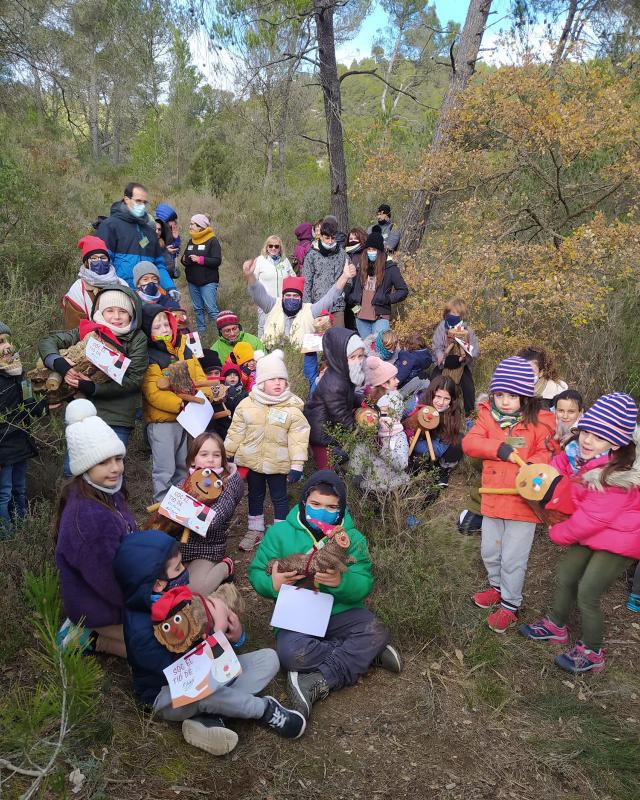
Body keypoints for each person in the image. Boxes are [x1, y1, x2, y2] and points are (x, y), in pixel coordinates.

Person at [113, 531, 306, 755]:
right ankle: (264, 710)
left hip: (207, 675)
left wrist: (235, 636)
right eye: (177, 569)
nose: (185, 573)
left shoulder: (177, 595)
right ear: (157, 584)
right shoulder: (141, 629)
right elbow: (183, 674)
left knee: (269, 658)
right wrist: (216, 636)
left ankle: (211, 715)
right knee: (207, 693)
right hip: (167, 693)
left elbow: (204, 642)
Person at [248, 471, 401, 719]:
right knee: (290, 654)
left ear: (341, 510)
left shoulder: (351, 539)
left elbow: (364, 582)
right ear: (304, 503)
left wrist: (342, 581)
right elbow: (255, 572)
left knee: (376, 630)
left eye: (331, 507)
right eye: (315, 504)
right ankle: (365, 654)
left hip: (341, 612)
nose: (322, 511)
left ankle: (320, 679)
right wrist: (273, 583)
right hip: (297, 614)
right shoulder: (279, 534)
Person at [519, 393, 640, 674]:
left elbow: (590, 518)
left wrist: (558, 532)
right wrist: (545, 476)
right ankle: (555, 625)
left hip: (621, 538)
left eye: (597, 437)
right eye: (586, 431)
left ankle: (593, 651)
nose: (586, 440)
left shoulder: (618, 476)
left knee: (588, 590)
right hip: (597, 530)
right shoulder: (592, 456)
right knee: (566, 574)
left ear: (617, 442)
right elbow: (564, 468)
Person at [462, 357, 556, 633]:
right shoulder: (487, 416)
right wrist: (498, 448)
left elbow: (547, 454)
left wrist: (530, 473)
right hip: (492, 497)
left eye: (512, 395)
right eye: (499, 394)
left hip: (522, 503)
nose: (504, 401)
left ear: (525, 396)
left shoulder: (541, 422)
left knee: (514, 558)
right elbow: (470, 442)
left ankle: (510, 605)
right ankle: (496, 587)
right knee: (490, 551)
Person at [55, 399, 136, 657]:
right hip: (100, 606)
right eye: (103, 462)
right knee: (156, 644)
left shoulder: (107, 492)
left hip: (114, 596)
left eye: (118, 458)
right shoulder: (88, 516)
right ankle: (86, 636)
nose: (115, 468)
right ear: (85, 466)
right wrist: (144, 604)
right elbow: (107, 580)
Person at [39, 287, 148, 453]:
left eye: (123, 311)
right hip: (83, 413)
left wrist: (94, 388)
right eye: (110, 310)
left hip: (117, 415)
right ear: (100, 311)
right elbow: (48, 341)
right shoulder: (88, 330)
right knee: (76, 469)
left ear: (132, 315)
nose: (116, 317)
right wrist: (59, 364)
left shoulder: (137, 339)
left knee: (112, 466)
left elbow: (134, 380)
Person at [224, 350, 310, 552]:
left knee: (279, 497)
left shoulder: (291, 409)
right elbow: (236, 430)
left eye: (282, 379)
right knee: (254, 495)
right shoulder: (247, 404)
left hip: (278, 464)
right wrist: (228, 453)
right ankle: (255, 529)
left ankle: (281, 533)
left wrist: (297, 464)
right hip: (252, 462)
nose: (278, 383)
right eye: (273, 379)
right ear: (261, 382)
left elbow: (298, 438)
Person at [141, 305, 214, 503]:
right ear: (148, 330)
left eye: (166, 323)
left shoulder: (184, 347)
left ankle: (181, 505)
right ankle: (162, 509)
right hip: (164, 422)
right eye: (157, 326)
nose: (164, 328)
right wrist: (180, 404)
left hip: (188, 420)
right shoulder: (149, 355)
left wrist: (204, 396)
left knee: (183, 466)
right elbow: (153, 393)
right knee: (165, 469)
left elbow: (200, 376)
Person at [243, 260, 356, 352]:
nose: (291, 298)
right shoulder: (272, 305)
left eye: (295, 296)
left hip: (299, 363)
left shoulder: (310, 310)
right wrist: (250, 276)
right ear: (283, 296)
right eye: (288, 295)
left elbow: (330, 297)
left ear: (301, 297)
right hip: (271, 359)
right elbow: (258, 293)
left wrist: (345, 276)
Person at [179, 432, 243, 594]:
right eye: (204, 454)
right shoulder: (188, 479)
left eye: (216, 455)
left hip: (208, 548)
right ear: (193, 459)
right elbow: (171, 504)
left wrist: (181, 512)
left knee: (196, 590)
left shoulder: (228, 483)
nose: (210, 459)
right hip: (180, 546)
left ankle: (225, 566)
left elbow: (213, 520)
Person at [0, 322, 48, 533]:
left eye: (8, 340)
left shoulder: (18, 374)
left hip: (20, 441)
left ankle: (22, 528)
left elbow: (32, 406)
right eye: (1, 342)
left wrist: (44, 404)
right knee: (3, 493)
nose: (7, 346)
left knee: (19, 489)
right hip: (3, 446)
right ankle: (8, 536)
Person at [96, 182, 178, 295]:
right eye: (138, 201)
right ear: (126, 199)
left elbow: (159, 265)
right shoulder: (110, 226)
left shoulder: (149, 231)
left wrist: (170, 287)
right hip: (120, 295)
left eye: (145, 202)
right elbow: (103, 265)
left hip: (148, 295)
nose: (142, 205)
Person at [304, 328, 366, 470]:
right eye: (352, 357)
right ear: (339, 357)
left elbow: (347, 397)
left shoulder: (342, 374)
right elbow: (339, 413)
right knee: (327, 469)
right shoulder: (334, 382)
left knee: (338, 461)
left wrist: (361, 400)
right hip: (321, 432)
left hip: (331, 428)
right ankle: (323, 483)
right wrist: (356, 429)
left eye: (360, 356)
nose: (357, 361)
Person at [353, 357, 409, 492]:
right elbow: (357, 464)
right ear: (384, 384)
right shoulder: (370, 424)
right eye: (394, 378)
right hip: (369, 487)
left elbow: (402, 463)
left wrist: (381, 447)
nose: (398, 381)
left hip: (392, 486)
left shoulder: (398, 436)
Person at [345, 226, 408, 339]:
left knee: (380, 349)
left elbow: (403, 290)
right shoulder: (360, 266)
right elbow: (350, 286)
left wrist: (388, 298)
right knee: (367, 350)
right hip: (360, 317)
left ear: (380, 251)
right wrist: (351, 298)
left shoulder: (390, 268)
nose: (371, 252)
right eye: (368, 249)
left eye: (374, 250)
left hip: (380, 317)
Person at [404, 375, 464, 489]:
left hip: (426, 445)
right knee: (416, 465)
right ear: (431, 393)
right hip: (408, 443)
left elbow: (440, 447)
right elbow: (397, 419)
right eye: (438, 396)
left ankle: (443, 467)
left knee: (459, 440)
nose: (441, 402)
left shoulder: (451, 414)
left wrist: (416, 444)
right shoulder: (417, 403)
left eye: (447, 399)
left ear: (452, 400)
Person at [62, 236, 128, 329]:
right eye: (94, 258)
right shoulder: (77, 290)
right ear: (86, 262)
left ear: (108, 260)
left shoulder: (121, 283)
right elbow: (74, 328)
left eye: (103, 257)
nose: (99, 261)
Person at [432, 298, 479, 416]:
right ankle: (430, 411)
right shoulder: (442, 327)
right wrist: (440, 357)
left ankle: (469, 415)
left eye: (455, 314)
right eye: (449, 313)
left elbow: (475, 350)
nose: (451, 316)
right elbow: (436, 346)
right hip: (444, 362)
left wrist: (465, 356)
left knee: (469, 388)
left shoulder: (467, 329)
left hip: (461, 364)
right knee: (433, 383)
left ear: (461, 316)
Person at [302, 217, 350, 327]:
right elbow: (306, 281)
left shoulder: (342, 254)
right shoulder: (312, 255)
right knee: (319, 340)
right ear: (321, 236)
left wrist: (343, 293)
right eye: (327, 238)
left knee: (338, 339)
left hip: (337, 305)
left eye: (333, 238)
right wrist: (307, 305)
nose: (330, 241)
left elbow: (349, 277)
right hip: (318, 305)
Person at [181, 214, 222, 334]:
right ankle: (202, 333)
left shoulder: (212, 241)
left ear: (200, 227)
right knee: (198, 309)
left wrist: (200, 260)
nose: (190, 226)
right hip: (193, 281)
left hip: (208, 282)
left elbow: (217, 260)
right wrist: (184, 260)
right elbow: (185, 257)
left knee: (211, 309)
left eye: (192, 224)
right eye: (190, 223)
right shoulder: (191, 241)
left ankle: (218, 334)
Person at [252, 235, 295, 338]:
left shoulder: (285, 261)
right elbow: (253, 280)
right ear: (266, 247)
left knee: (284, 326)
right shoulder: (260, 260)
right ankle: (262, 349)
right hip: (265, 300)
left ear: (280, 248)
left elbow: (293, 276)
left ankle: (284, 350)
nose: (273, 249)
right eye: (270, 246)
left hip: (282, 300)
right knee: (263, 326)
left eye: (276, 246)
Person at [154, 203, 180, 278]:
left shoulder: (164, 235)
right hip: (156, 273)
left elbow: (176, 251)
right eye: (172, 220)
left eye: (159, 229)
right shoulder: (146, 237)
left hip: (168, 273)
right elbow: (143, 249)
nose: (157, 231)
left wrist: (176, 238)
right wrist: (165, 251)